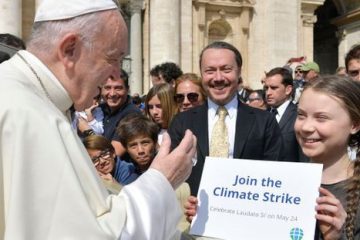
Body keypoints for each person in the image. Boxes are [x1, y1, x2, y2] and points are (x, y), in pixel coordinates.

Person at [0, 0, 197, 239]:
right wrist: (162, 181)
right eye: (113, 58)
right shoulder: (29, 115)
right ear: (69, 49)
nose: (115, 74)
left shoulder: (29, 97)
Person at [168, 41, 283, 195]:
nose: (218, 78)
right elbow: (172, 175)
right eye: (210, 71)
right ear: (202, 74)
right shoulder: (182, 123)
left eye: (226, 69)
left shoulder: (264, 122)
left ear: (239, 71)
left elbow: (275, 175)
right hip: (193, 215)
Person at [294, 75, 360, 240]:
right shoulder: (283, 182)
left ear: (354, 125)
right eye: (301, 115)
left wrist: (337, 237)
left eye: (321, 118)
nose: (306, 127)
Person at [264, 67, 308, 162]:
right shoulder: (262, 116)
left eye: (274, 88)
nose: (268, 93)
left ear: (288, 90)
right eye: (266, 88)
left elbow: (304, 156)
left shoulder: (299, 116)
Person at [100, 69, 141, 156]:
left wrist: (87, 131)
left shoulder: (133, 115)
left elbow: (112, 154)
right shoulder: (99, 109)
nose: (112, 94)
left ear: (127, 89)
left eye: (118, 88)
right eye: (107, 88)